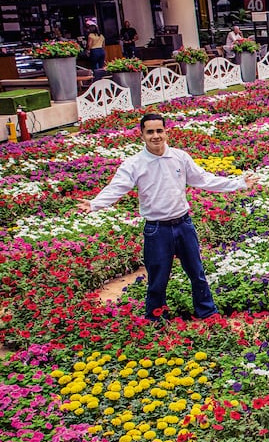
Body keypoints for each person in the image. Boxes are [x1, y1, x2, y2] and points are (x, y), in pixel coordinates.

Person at [76, 113, 259, 321]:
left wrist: (239, 183)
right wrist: (95, 204)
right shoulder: (134, 164)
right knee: (158, 278)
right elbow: (118, 187)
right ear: (142, 135)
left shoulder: (179, 157)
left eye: (159, 131)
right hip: (157, 229)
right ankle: (156, 319)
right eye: (150, 132)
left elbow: (203, 179)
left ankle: (207, 312)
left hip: (183, 224)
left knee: (197, 272)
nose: (156, 136)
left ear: (166, 132)